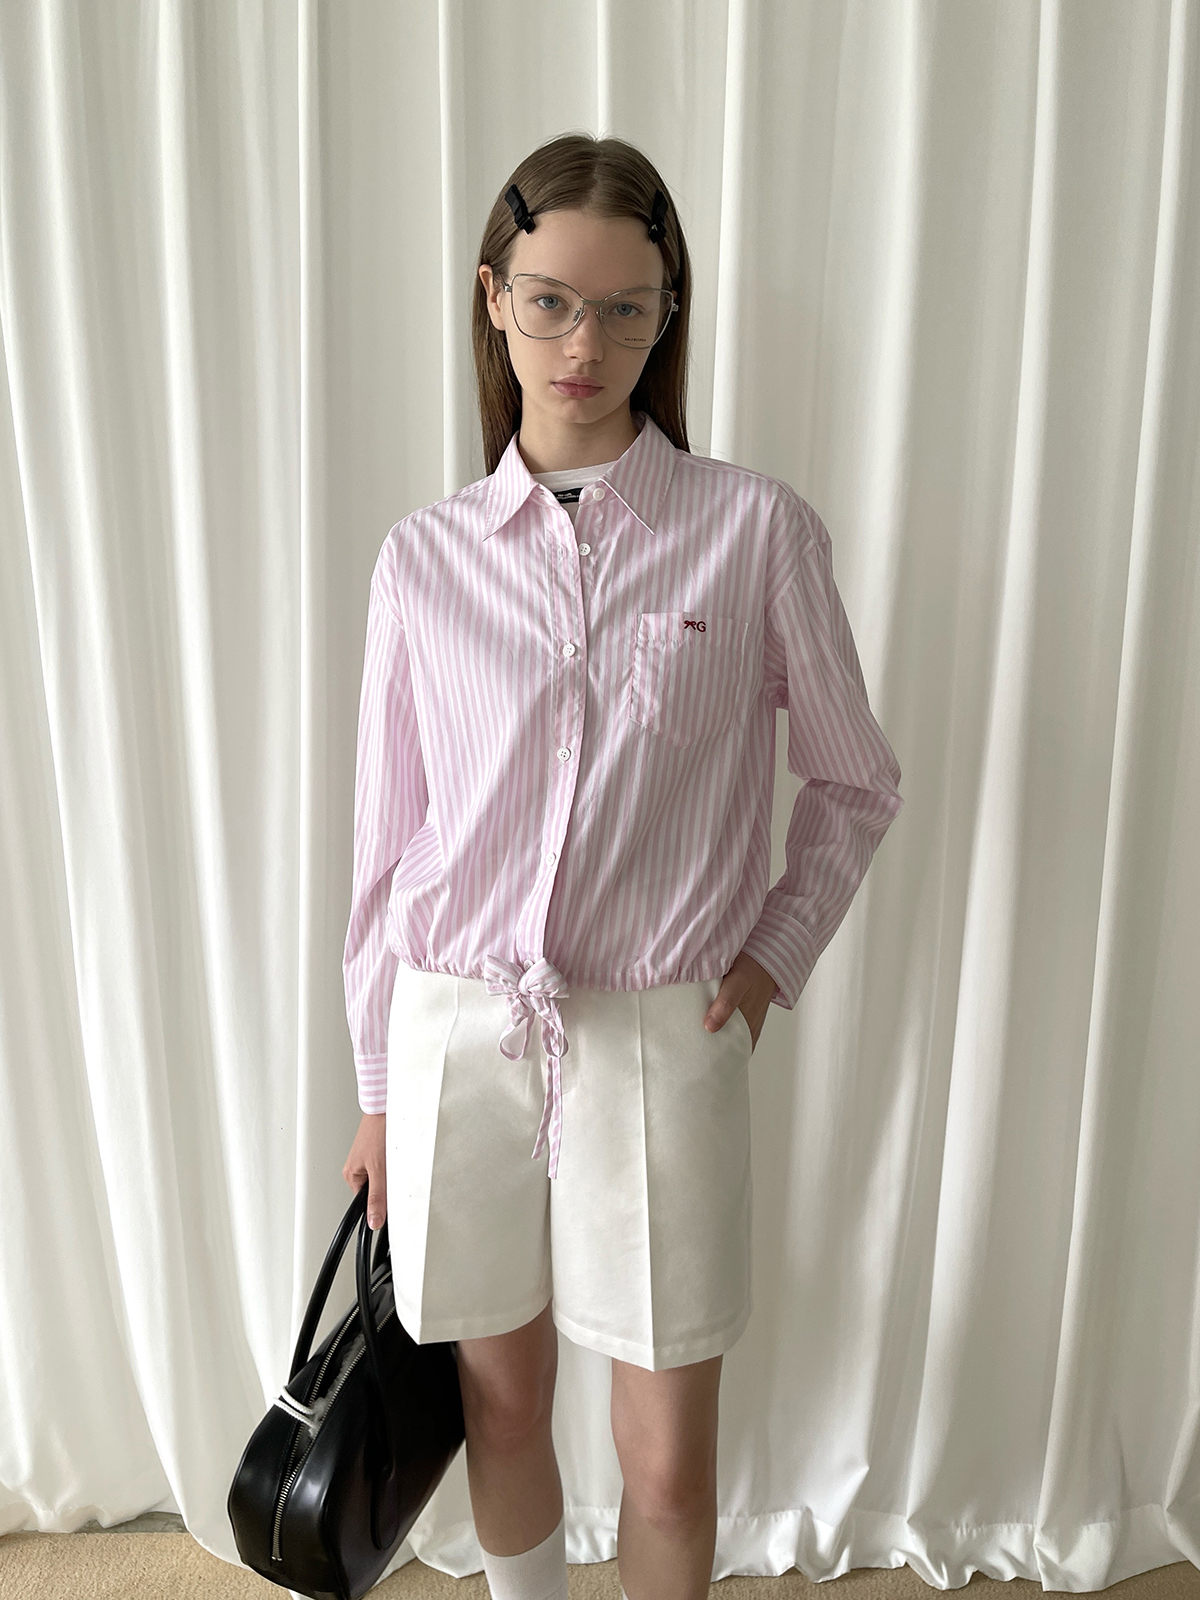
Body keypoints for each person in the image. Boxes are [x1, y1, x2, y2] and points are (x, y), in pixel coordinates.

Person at [341, 133, 903, 1600]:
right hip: (461, 1028)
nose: (582, 345)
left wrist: (771, 958)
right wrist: (382, 1089)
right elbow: (386, 851)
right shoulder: (423, 560)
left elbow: (855, 779)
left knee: (664, 1460)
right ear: (493, 298)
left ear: (668, 314)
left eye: (623, 309)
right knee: (499, 1407)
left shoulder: (755, 532)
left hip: (665, 1030)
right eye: (548, 302)